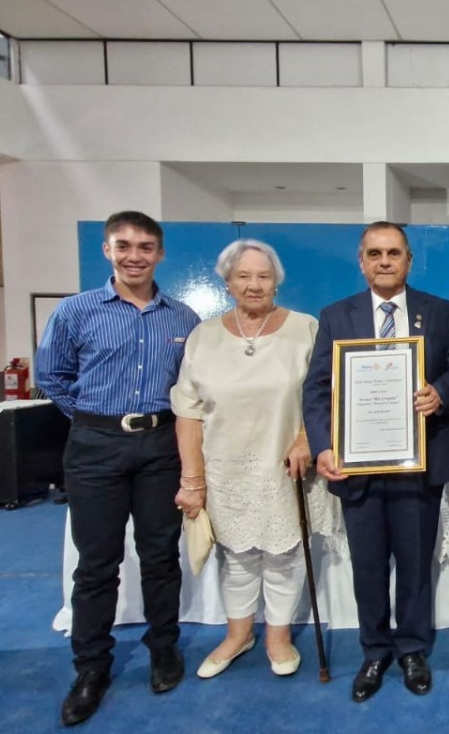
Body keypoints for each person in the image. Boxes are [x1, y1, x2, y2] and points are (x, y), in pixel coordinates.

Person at [35, 210, 202, 727]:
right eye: (124, 245)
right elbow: (52, 378)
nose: (135, 255)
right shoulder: (76, 311)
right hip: (94, 446)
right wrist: (95, 422)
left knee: (159, 555)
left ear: (160, 254)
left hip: (160, 445)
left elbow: (193, 388)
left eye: (146, 246)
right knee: (96, 563)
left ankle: (163, 648)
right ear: (108, 250)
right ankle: (91, 667)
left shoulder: (183, 318)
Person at [303, 221, 449, 703]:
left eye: (394, 253)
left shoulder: (440, 312)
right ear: (362, 261)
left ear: (409, 260)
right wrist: (324, 446)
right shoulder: (336, 315)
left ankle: (412, 648)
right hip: (357, 467)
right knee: (368, 565)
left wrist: (441, 394)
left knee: (414, 563)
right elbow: (317, 389)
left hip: (420, 460)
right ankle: (374, 650)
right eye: (375, 253)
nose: (385, 261)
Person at [170, 239, 330, 680]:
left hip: (287, 464)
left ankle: (278, 636)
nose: (254, 285)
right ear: (226, 283)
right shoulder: (203, 337)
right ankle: (238, 634)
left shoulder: (305, 329)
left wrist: (305, 438)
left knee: (284, 556)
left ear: (276, 281)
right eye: (244, 276)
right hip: (226, 468)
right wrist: (192, 478)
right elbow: (188, 411)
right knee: (236, 557)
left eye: (263, 276)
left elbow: (323, 394)